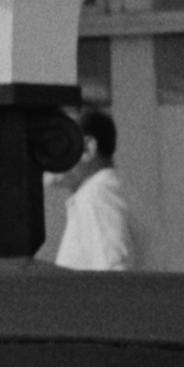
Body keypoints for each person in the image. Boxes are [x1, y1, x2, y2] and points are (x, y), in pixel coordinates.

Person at [50, 109, 149, 273]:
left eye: (53, 142)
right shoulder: (109, 189)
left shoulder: (96, 194)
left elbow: (114, 276)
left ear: (87, 149)